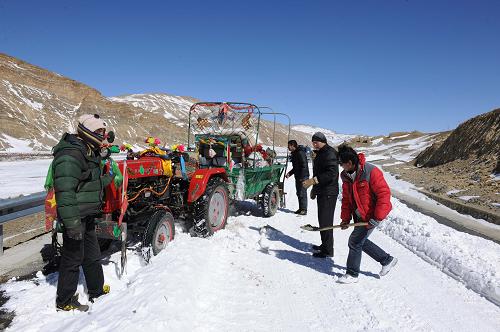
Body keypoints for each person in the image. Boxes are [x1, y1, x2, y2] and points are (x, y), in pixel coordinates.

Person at [53, 114, 113, 311]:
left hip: (86, 214)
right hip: (75, 217)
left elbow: (89, 184)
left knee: (92, 255)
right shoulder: (71, 154)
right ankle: (64, 300)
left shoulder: (87, 151)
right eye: (99, 133)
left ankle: (96, 290)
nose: (102, 137)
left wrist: (108, 179)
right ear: (87, 132)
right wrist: (71, 225)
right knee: (72, 258)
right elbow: (65, 191)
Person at [336, 144, 397, 283]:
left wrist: (377, 217)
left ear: (350, 163)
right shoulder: (345, 175)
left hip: (372, 215)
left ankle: (352, 274)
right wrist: (345, 218)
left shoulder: (371, 171)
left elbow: (384, 195)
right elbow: (346, 199)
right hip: (359, 215)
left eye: (342, 164)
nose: (341, 167)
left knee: (355, 241)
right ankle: (387, 260)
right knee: (360, 241)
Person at [302, 132, 339, 258]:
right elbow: (319, 171)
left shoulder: (329, 153)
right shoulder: (322, 152)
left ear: (321, 141)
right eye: (313, 142)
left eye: (315, 142)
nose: (314, 144)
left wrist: (313, 181)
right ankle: (325, 245)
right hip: (323, 192)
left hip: (329, 193)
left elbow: (331, 174)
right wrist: (315, 189)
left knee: (326, 221)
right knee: (323, 220)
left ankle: (328, 251)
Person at [285, 140, 309, 215]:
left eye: (289, 146)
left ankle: (304, 210)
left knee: (302, 192)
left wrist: (302, 177)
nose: (288, 147)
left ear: (292, 146)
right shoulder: (295, 153)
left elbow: (304, 165)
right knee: (299, 193)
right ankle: (301, 208)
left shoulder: (300, 153)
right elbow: (296, 167)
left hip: (303, 176)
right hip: (298, 176)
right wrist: (290, 173)